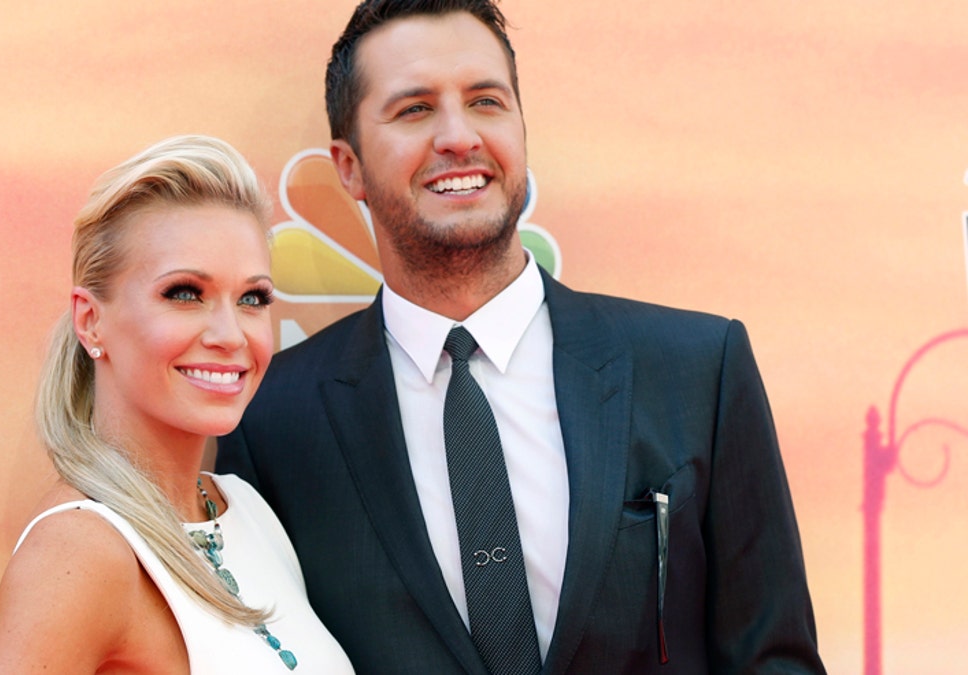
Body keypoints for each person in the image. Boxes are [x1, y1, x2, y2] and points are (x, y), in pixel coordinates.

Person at [216, 2, 825, 673]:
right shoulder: (268, 420)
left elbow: (775, 659)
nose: (459, 136)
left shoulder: (696, 370)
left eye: (486, 101)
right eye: (415, 109)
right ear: (349, 166)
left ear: (521, 128)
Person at [0, 135, 354, 674]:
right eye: (184, 293)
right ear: (91, 320)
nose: (230, 334)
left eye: (252, 299)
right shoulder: (81, 551)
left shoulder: (246, 509)